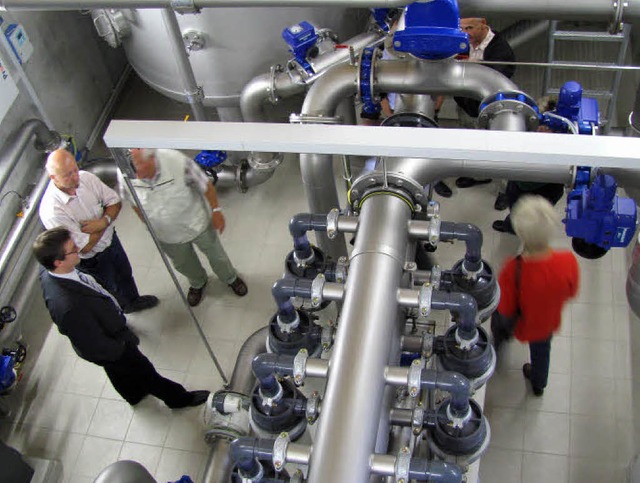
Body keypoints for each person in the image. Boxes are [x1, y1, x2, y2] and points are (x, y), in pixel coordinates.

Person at [33, 227, 210, 408]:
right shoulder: (68, 306)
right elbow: (92, 346)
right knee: (145, 372)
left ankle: (133, 394)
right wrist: (121, 347)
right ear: (58, 262)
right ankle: (179, 399)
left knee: (116, 371)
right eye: (72, 249)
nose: (78, 247)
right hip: (112, 345)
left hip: (106, 332)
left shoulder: (49, 270)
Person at [121, 148, 247, 307]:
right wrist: (147, 223)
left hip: (195, 223)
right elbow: (132, 202)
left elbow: (205, 184)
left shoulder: (176, 161)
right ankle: (197, 283)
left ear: (152, 159)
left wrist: (216, 211)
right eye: (134, 168)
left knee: (217, 255)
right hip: (166, 235)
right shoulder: (126, 174)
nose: (137, 175)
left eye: (140, 167)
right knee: (183, 263)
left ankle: (230, 278)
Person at [39, 148, 158, 314]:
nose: (75, 176)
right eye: (68, 174)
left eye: (75, 169)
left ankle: (133, 300)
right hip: (91, 260)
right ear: (53, 178)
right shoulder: (53, 211)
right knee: (108, 290)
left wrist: (103, 222)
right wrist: (106, 219)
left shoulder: (86, 178)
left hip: (111, 241)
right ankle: (120, 314)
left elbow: (115, 203)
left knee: (125, 274)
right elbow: (84, 247)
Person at [494, 196, 579, 396]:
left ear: (521, 232)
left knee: (498, 332)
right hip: (546, 323)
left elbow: (506, 308)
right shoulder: (568, 261)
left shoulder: (512, 270)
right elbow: (571, 292)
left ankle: (494, 357)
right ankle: (539, 383)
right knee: (542, 353)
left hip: (521, 323)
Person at [452, 17, 516, 209]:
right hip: (467, 106)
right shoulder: (463, 42)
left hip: (492, 110)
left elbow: (496, 81)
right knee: (470, 142)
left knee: (501, 148)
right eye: (462, 28)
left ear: (484, 25)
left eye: (470, 28)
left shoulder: (500, 50)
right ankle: (477, 174)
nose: (466, 33)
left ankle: (505, 191)